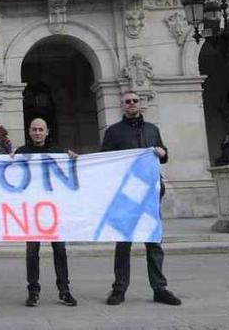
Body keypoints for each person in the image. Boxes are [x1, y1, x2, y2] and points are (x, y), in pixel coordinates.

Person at [101, 91, 181, 306]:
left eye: (135, 101)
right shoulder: (113, 132)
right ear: (122, 106)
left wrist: (162, 152)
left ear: (140, 104)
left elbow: (165, 155)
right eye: (127, 102)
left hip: (150, 194)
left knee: (153, 243)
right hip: (126, 196)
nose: (131, 104)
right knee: (123, 244)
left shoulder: (152, 130)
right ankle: (119, 289)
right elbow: (106, 160)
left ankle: (160, 288)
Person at [13, 118, 79, 307]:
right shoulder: (21, 153)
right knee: (32, 252)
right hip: (31, 212)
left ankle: (64, 291)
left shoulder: (58, 152)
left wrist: (73, 158)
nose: (38, 132)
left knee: (60, 250)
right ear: (29, 131)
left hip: (53, 211)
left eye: (41, 129)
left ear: (47, 131)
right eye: (34, 129)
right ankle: (33, 291)